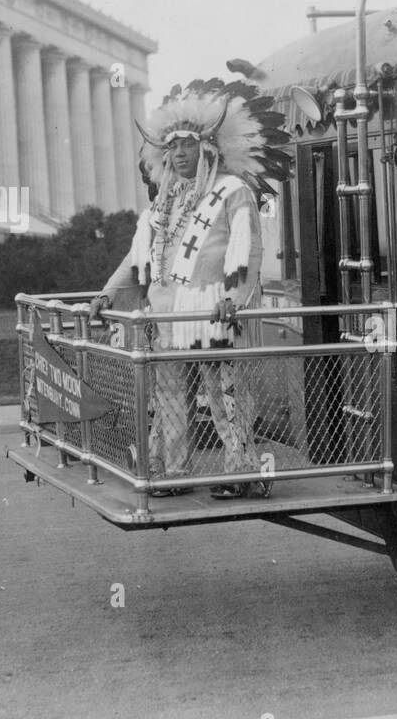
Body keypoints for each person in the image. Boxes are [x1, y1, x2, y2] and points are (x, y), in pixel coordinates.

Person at [90, 79, 290, 499]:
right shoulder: (164, 200)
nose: (179, 155)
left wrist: (233, 300)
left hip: (210, 310)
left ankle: (241, 471)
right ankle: (172, 472)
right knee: (168, 398)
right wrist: (108, 294)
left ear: (208, 148)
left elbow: (248, 252)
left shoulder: (233, 192)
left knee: (225, 395)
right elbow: (136, 256)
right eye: (172, 147)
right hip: (165, 314)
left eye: (187, 145)